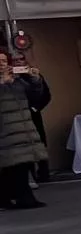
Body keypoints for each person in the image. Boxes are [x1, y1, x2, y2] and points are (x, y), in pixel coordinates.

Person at [0, 52, 47, 209]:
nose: (2, 64)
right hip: (6, 131)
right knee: (14, 165)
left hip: (24, 128)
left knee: (19, 164)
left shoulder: (18, 79)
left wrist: (34, 79)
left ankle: (10, 198)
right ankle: (23, 198)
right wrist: (2, 83)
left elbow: (36, 95)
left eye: (4, 60)